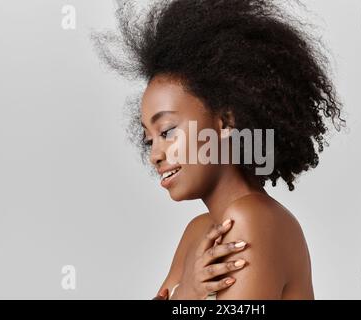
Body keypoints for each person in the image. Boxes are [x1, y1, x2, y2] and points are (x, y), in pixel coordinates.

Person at [93, 0, 346, 299]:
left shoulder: (252, 220)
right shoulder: (198, 233)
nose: (155, 155)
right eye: (150, 139)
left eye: (167, 131)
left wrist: (184, 295)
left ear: (225, 122)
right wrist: (187, 292)